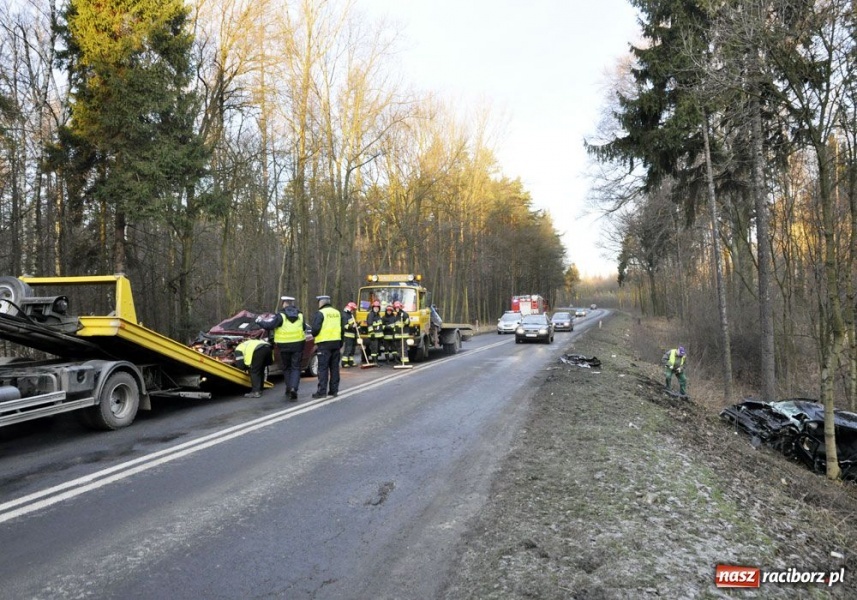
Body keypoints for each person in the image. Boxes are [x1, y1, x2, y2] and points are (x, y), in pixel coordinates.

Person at [256, 296, 305, 401]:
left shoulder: (281, 316)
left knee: (287, 368)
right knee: (296, 368)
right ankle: (294, 388)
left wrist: (259, 321)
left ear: (284, 303)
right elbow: (304, 327)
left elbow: (269, 325)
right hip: (298, 345)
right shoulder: (300, 315)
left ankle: (288, 388)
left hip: (284, 346)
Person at [311, 295, 343, 398]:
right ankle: (334, 390)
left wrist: (314, 334)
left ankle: (322, 391)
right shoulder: (337, 313)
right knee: (334, 368)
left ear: (321, 303)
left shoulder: (320, 313)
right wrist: (340, 342)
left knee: (323, 368)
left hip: (324, 344)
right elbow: (342, 329)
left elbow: (315, 330)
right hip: (336, 344)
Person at [390, 300, 411, 365]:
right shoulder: (397, 315)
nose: (397, 309)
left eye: (398, 308)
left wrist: (404, 317)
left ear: (400, 307)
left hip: (403, 335)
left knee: (403, 348)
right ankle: (402, 360)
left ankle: (405, 361)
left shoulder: (404, 314)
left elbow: (407, 322)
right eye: (396, 308)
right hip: (398, 335)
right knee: (399, 349)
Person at [341, 301, 359, 368]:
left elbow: (352, 323)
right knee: (348, 349)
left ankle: (350, 361)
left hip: (353, 335)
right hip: (348, 335)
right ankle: (344, 362)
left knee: (352, 349)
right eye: (353, 309)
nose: (353, 311)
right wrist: (352, 326)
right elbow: (344, 326)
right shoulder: (345, 315)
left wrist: (357, 324)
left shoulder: (350, 315)